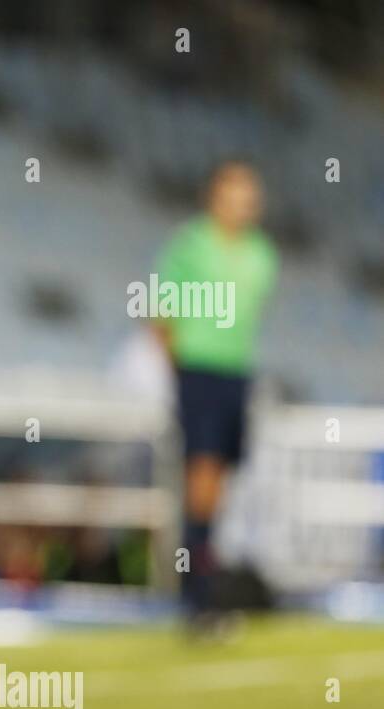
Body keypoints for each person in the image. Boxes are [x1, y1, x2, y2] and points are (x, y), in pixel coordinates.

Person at [151, 160, 278, 623]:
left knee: (220, 481)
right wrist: (180, 370)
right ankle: (196, 594)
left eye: (250, 195)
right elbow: (161, 313)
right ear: (215, 196)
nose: (243, 204)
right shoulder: (192, 244)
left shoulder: (262, 254)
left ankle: (204, 581)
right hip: (199, 369)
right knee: (201, 478)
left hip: (236, 373)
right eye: (234, 194)